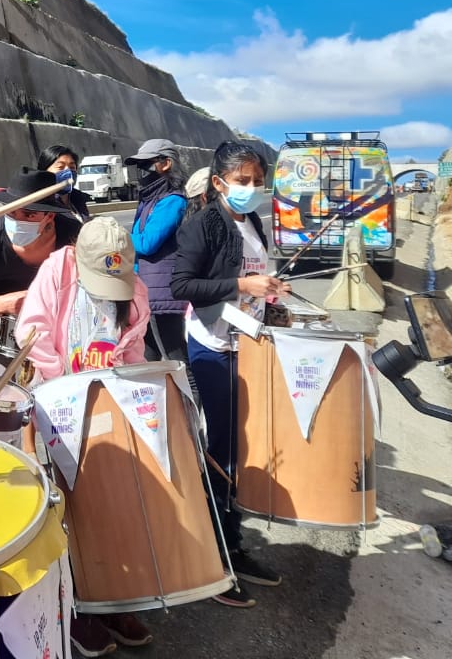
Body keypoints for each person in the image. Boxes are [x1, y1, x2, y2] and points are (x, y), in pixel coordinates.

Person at [14, 217, 152, 656]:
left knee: (108, 510)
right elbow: (32, 335)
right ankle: (73, 609)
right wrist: (62, 387)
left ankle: (111, 597)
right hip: (60, 405)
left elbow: (133, 345)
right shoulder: (57, 269)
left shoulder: (136, 288)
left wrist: (125, 389)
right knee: (66, 514)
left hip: (107, 406)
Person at [170, 141, 290, 608]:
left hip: (251, 346)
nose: (252, 189)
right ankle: (214, 552)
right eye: (243, 181)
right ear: (219, 183)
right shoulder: (202, 224)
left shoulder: (253, 221)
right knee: (221, 447)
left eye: (258, 181)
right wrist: (242, 284)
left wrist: (271, 291)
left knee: (245, 445)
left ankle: (234, 543)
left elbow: (255, 279)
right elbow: (184, 285)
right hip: (213, 347)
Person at [0, 170, 83, 322]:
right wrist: (5, 304)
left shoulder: (75, 237)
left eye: (29, 215)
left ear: (50, 216)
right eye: (11, 212)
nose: (17, 220)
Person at [126, 139, 189, 364]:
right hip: (148, 287)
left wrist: (119, 235)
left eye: (147, 164)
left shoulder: (172, 200)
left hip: (162, 293)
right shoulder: (150, 198)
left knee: (176, 356)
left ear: (166, 163)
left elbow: (147, 243)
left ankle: (194, 399)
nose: (142, 171)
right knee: (147, 354)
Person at [36, 144, 90, 219]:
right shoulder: (38, 205)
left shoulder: (78, 199)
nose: (68, 172)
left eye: (72, 167)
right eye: (60, 167)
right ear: (44, 171)